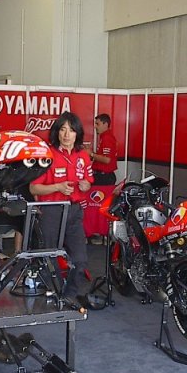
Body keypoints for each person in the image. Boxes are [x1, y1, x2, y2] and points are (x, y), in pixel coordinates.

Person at [29, 111, 93, 297]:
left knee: (80, 259)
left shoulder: (83, 156)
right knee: (48, 256)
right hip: (51, 211)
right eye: (63, 129)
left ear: (77, 134)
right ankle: (52, 293)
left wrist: (86, 185)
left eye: (71, 130)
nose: (66, 135)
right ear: (57, 132)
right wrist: (57, 187)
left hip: (74, 211)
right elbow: (33, 188)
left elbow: (88, 181)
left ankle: (68, 296)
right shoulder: (46, 155)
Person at [86, 113, 118, 186]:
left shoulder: (107, 138)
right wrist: (90, 153)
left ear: (105, 124)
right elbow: (102, 156)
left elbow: (107, 159)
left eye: (98, 124)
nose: (95, 126)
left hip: (103, 177)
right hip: (102, 176)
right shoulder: (104, 137)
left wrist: (91, 154)